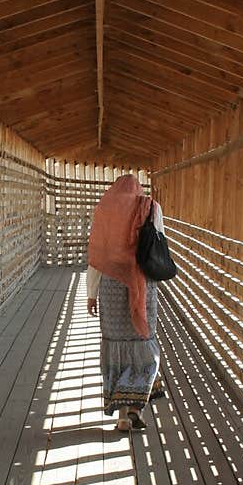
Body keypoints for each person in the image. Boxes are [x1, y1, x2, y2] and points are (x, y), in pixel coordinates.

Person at [85, 174, 165, 432]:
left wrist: (91, 293)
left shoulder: (105, 210)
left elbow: (97, 255)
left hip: (110, 284)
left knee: (116, 347)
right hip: (142, 284)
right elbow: (158, 242)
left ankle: (122, 415)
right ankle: (135, 409)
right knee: (143, 344)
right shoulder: (150, 207)